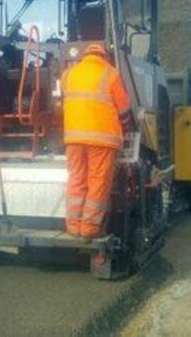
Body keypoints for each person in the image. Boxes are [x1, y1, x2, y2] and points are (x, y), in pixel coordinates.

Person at [61, 43, 132, 239]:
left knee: (76, 180)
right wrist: (126, 130)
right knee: (97, 182)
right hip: (102, 140)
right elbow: (124, 109)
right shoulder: (111, 74)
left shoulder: (69, 74)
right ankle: (90, 229)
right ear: (105, 56)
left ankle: (73, 227)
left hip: (73, 138)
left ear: (85, 56)